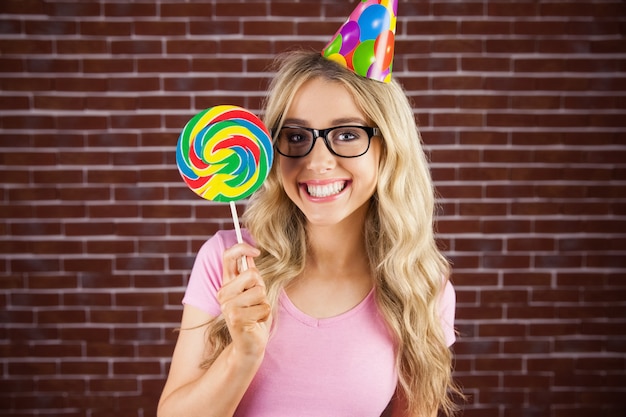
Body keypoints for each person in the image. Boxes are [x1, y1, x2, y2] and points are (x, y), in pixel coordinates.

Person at [158, 49, 461, 417]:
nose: (317, 162)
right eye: (297, 137)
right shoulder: (229, 264)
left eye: (348, 134)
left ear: (389, 148)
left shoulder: (422, 286)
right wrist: (242, 355)